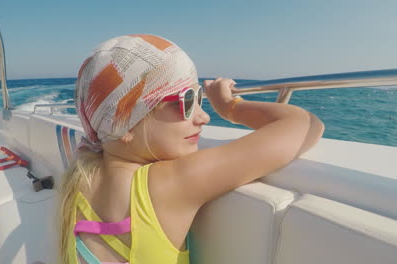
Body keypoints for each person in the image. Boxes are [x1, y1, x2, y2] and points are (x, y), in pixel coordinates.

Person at [58, 34, 325, 264]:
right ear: (123, 123)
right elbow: (306, 124)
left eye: (199, 98)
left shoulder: (82, 177)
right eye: (184, 101)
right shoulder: (166, 185)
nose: (203, 116)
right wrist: (230, 107)